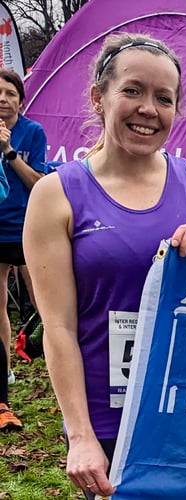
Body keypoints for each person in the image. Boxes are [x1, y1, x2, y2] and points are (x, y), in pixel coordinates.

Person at [23, 33, 186, 499]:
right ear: (98, 98)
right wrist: (80, 435)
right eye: (132, 90)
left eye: (164, 98)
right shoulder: (55, 194)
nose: (149, 109)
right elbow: (59, 327)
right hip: (111, 424)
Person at [0, 69, 48, 390]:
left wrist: (9, 152)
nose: (3, 100)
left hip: (29, 225)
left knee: (46, 302)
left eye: (10, 94)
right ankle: (4, 370)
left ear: (20, 100)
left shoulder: (33, 132)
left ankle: (54, 359)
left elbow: (39, 184)